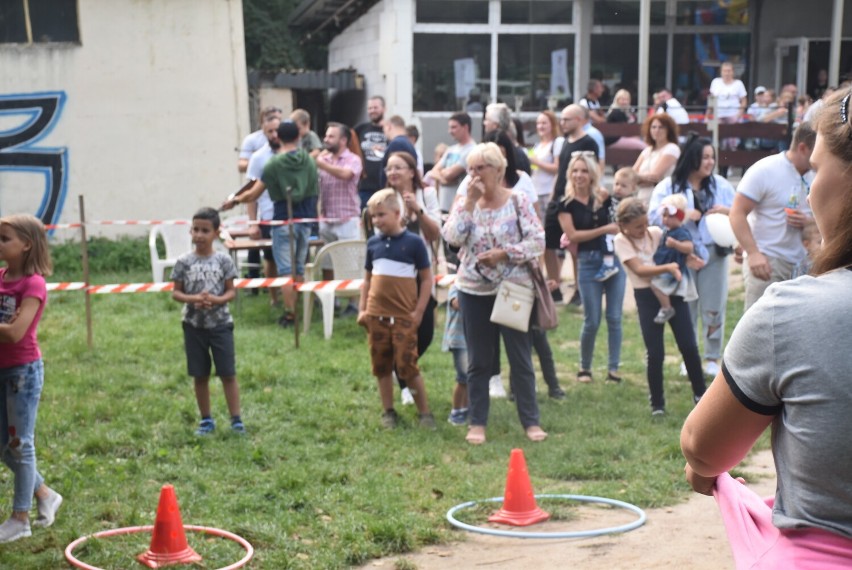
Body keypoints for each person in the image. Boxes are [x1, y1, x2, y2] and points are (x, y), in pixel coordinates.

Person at [680, 89, 852, 567]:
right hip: (772, 264)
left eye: (819, 170)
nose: (812, 184)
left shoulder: (796, 314)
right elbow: (738, 213)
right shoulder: (763, 173)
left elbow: (703, 447)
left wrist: (706, 468)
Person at [442, 142, 547, 445]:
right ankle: (477, 422)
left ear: (499, 170)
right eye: (470, 169)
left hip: (513, 289)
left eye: (480, 168)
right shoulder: (465, 201)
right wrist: (468, 205)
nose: (473, 175)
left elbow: (538, 242)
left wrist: (504, 253)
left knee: (520, 357)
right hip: (473, 291)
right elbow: (452, 238)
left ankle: (531, 421)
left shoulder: (519, 200)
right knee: (478, 360)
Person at [649, 135, 735, 378]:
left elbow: (739, 213)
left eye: (712, 157)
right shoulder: (669, 188)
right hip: (681, 256)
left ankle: (711, 357)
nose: (709, 162)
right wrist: (684, 216)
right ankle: (690, 357)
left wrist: (726, 212)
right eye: (704, 157)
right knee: (687, 307)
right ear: (692, 158)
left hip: (714, 255)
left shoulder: (720, 185)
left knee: (713, 306)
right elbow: (654, 218)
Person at [0, 214, 62, 543]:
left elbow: (14, 333)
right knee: (3, 446)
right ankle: (45, 494)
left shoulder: (32, 283)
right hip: (0, 370)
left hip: (22, 373)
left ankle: (20, 518)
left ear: (26, 244)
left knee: (20, 445)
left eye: (4, 238)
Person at [613, 200, 706, 416]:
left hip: (672, 291)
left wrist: (686, 258)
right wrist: (669, 267)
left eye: (645, 223)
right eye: (637, 226)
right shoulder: (621, 241)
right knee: (655, 353)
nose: (643, 229)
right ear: (624, 225)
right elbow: (639, 270)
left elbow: (673, 251)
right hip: (647, 297)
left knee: (689, 345)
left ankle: (700, 394)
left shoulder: (656, 232)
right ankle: (657, 404)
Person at [222, 121, 319, 328]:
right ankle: (299, 309)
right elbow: (314, 191)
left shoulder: (273, 164)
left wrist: (234, 201)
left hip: (282, 219)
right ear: (298, 137)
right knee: (299, 267)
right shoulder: (310, 162)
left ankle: (291, 314)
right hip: (306, 220)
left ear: (279, 138)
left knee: (285, 270)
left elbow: (253, 193)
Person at [358, 189, 435, 429]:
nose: (377, 220)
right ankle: (388, 411)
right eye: (373, 216)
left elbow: (426, 280)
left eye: (382, 214)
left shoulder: (413, 243)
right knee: (381, 365)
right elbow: (367, 279)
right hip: (376, 316)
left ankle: (424, 413)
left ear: (397, 213)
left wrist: (419, 312)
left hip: (403, 317)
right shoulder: (373, 244)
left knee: (407, 365)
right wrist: (363, 309)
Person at [171, 208, 243, 436]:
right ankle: (206, 420)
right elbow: (176, 293)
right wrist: (194, 300)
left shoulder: (223, 261)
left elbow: (231, 292)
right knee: (200, 374)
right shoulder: (183, 262)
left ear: (216, 232)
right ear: (190, 231)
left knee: (227, 373)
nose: (200, 235)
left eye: (205, 230)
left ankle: (236, 420)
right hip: (193, 326)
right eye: (196, 230)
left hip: (221, 325)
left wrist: (217, 300)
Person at [729, 122, 815, 310]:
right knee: (760, 330)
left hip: (803, 265)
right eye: (816, 152)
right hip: (768, 263)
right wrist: (753, 253)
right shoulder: (765, 170)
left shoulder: (815, 174)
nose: (818, 159)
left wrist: (808, 222)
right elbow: (737, 212)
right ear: (802, 148)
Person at [557, 152, 625, 384]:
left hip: (613, 260)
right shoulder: (565, 204)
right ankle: (584, 367)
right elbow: (573, 234)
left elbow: (619, 222)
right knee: (592, 319)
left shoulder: (604, 198)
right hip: (586, 262)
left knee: (615, 317)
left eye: (584, 170)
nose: (579, 175)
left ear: (592, 174)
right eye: (575, 170)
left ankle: (613, 369)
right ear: (569, 174)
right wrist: (603, 230)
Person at [380, 151, 441, 405]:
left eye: (399, 167)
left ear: (411, 170)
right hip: (395, 275)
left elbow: (436, 232)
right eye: (389, 168)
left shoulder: (427, 193)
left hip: (423, 272)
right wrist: (402, 219)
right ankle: (405, 382)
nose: (393, 172)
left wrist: (419, 210)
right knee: (401, 331)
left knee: (425, 330)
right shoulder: (383, 199)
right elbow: (380, 235)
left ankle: (400, 368)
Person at [545, 104, 600, 305]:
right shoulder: (565, 142)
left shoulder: (589, 143)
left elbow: (592, 172)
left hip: (576, 201)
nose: (562, 123)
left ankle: (579, 289)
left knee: (576, 248)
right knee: (547, 243)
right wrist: (553, 197)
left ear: (579, 120)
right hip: (558, 198)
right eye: (562, 119)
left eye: (567, 119)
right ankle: (554, 286)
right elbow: (561, 173)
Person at [316, 122, 364, 315]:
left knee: (350, 263)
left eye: (331, 137)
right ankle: (331, 299)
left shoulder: (353, 159)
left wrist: (321, 164)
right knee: (327, 262)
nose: (326, 140)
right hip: (326, 219)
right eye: (326, 136)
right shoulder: (324, 158)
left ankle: (353, 302)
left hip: (347, 219)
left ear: (343, 140)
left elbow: (346, 175)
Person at [243, 115, 281, 306]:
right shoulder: (258, 157)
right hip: (268, 216)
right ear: (263, 133)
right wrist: (252, 223)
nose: (274, 135)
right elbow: (251, 194)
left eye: (277, 130)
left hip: (294, 217)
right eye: (270, 132)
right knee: (271, 260)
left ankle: (297, 299)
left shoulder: (295, 153)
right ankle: (274, 298)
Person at [650, 193, 694, 324]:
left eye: (670, 216)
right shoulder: (666, 231)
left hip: (674, 268)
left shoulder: (681, 232)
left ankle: (666, 307)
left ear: (680, 217)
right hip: (665, 266)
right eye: (663, 215)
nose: (665, 219)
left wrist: (676, 244)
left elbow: (689, 247)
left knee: (656, 284)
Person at [428, 112, 476, 213]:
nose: (450, 131)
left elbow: (450, 174)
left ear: (465, 127)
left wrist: (444, 176)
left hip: (458, 206)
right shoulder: (451, 149)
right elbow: (433, 172)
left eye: (454, 127)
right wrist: (444, 179)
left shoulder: (472, 150)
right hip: (442, 205)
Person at [706, 62, 747, 176]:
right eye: (725, 71)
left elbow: (744, 100)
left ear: (733, 72)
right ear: (721, 72)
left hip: (733, 114)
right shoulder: (716, 82)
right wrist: (707, 115)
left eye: (729, 71)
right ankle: (718, 165)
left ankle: (729, 165)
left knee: (731, 141)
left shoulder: (738, 84)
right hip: (719, 115)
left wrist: (739, 114)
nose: (727, 73)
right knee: (718, 140)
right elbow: (711, 100)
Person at [632, 113, 681, 204]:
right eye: (653, 127)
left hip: (661, 199)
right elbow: (631, 174)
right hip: (642, 197)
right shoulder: (647, 150)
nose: (657, 130)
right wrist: (640, 178)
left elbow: (655, 176)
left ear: (669, 130)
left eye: (661, 127)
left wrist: (637, 178)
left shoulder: (672, 148)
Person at [442, 284, 469, 426]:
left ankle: (466, 408)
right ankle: (456, 410)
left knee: (471, 378)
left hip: (471, 340)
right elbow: (456, 303)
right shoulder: (456, 286)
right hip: (459, 341)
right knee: (463, 378)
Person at [355, 95, 388, 208]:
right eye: (370, 108)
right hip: (365, 187)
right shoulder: (360, 129)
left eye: (375, 107)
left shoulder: (390, 129)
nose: (372, 111)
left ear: (384, 109)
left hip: (385, 186)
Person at [529, 110, 564, 217]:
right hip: (535, 191)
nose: (540, 126)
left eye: (544, 123)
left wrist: (536, 162)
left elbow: (557, 168)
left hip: (548, 191)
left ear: (552, 125)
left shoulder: (557, 142)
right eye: (538, 123)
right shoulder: (537, 146)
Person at [237, 106, 282, 173]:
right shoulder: (252, 139)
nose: (274, 135)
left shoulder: (287, 138)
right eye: (271, 119)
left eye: (279, 119)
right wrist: (258, 161)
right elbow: (241, 165)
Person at [379, 116, 418, 188]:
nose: (384, 133)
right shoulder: (408, 144)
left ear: (389, 126)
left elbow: (397, 176)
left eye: (384, 129)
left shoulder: (396, 144)